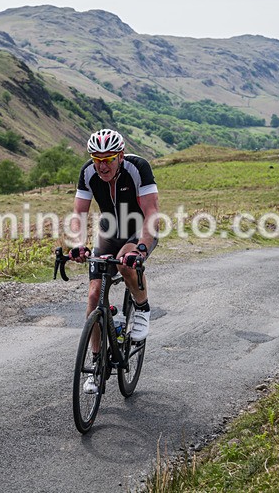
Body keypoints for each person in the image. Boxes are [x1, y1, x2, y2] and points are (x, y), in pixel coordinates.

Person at [67, 129, 159, 391]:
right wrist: (78, 245)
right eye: (97, 159)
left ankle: (142, 308)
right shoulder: (88, 172)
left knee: (123, 263)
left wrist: (141, 249)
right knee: (94, 295)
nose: (102, 165)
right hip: (109, 233)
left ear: (120, 156)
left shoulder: (138, 168)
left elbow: (151, 212)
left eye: (108, 159)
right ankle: (96, 364)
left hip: (138, 230)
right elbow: (79, 213)